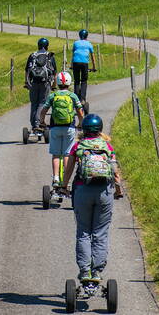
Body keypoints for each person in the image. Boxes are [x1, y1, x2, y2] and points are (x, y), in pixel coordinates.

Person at [59, 114, 123, 282]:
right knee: (100, 233)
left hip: (82, 190)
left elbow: (69, 170)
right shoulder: (107, 147)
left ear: (84, 129)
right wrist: (118, 190)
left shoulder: (78, 146)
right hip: (104, 192)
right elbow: (115, 171)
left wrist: (64, 186)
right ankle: (97, 271)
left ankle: (85, 271)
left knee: (84, 232)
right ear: (100, 129)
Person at [36, 71, 84, 187]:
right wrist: (80, 123)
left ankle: (56, 178)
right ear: (69, 82)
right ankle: (65, 181)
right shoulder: (72, 96)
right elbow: (80, 112)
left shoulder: (53, 96)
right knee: (67, 154)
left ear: (57, 83)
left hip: (55, 128)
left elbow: (43, 111)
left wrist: (42, 122)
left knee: (56, 154)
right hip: (69, 128)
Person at [25, 38, 57, 135]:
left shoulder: (32, 55)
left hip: (33, 82)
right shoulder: (49, 56)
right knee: (42, 103)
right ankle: (38, 124)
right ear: (47, 46)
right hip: (45, 83)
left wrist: (27, 83)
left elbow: (27, 71)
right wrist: (54, 85)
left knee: (34, 103)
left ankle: (34, 124)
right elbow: (54, 73)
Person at [71, 29, 96, 103]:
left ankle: (75, 99)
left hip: (76, 62)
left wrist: (72, 65)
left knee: (76, 81)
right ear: (86, 36)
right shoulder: (89, 44)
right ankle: (82, 99)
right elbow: (92, 56)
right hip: (84, 63)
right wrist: (94, 67)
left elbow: (73, 55)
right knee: (84, 81)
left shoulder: (76, 43)